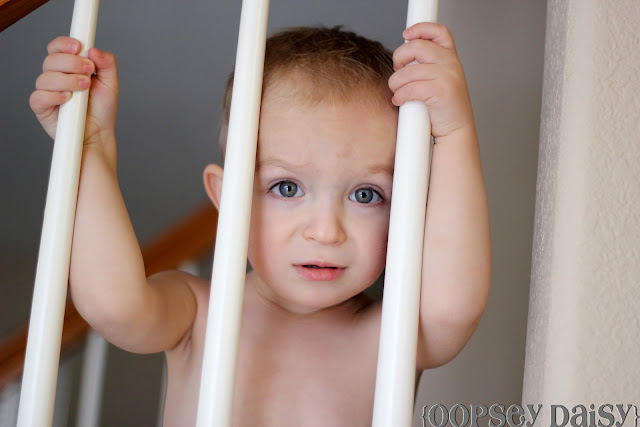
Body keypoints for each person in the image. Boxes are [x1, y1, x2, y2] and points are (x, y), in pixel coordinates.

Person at [30, 23, 491, 426]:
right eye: (286, 188)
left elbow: (453, 309)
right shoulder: (198, 313)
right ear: (226, 198)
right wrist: (89, 148)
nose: (325, 232)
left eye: (366, 194)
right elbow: (113, 306)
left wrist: (455, 133)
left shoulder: (389, 334)